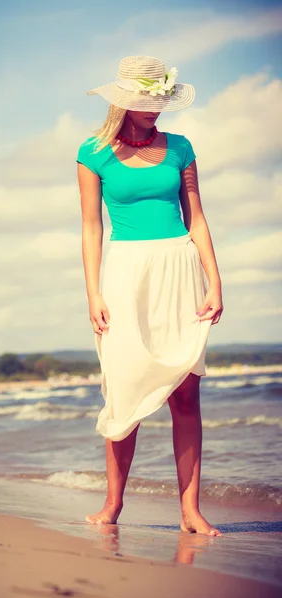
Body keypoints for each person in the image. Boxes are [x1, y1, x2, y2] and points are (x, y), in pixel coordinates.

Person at [77, 56, 223, 536]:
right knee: (124, 391)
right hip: (124, 275)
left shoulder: (180, 148)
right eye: (146, 102)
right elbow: (91, 228)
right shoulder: (92, 153)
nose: (155, 110)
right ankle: (113, 504)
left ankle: (190, 512)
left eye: (159, 101)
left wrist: (215, 282)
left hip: (179, 270)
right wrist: (93, 291)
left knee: (186, 394)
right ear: (122, 102)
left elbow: (196, 217)